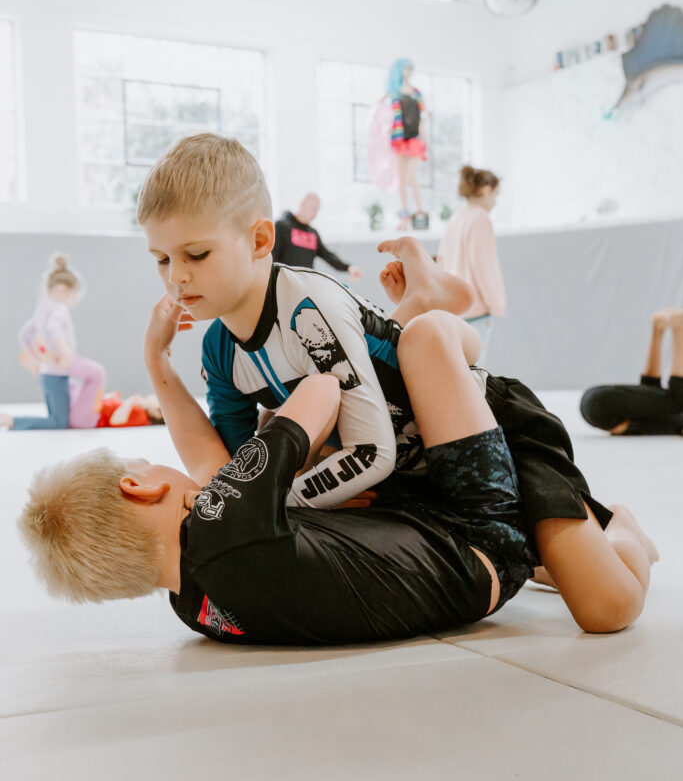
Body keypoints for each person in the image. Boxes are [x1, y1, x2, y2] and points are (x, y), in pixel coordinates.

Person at [19, 291, 656, 642]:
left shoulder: (196, 606)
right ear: (140, 486)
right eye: (143, 459)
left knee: (327, 471)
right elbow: (323, 391)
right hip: (477, 532)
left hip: (442, 551)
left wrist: (161, 367)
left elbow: (215, 477)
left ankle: (434, 320)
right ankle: (618, 525)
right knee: (426, 338)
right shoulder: (227, 517)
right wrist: (289, 360)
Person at [135, 134, 474, 509]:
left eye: (196, 254)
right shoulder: (218, 347)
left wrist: (277, 502)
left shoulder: (307, 311)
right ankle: (419, 299)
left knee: (423, 340)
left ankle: (425, 303)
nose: (176, 276)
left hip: (458, 430)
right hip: (397, 474)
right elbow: (234, 469)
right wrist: (155, 356)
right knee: (276, 425)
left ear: (261, 240)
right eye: (162, 259)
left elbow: (371, 453)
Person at [0, 254, 106, 431]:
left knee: (55, 418)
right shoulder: (59, 308)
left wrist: (35, 358)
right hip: (57, 376)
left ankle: (11, 421)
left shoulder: (42, 310)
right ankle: (10, 421)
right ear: (64, 290)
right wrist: (64, 352)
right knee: (58, 422)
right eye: (73, 298)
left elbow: (24, 334)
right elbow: (53, 327)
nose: (71, 303)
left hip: (46, 375)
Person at [437, 165, 506, 362]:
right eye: (495, 195)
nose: (495, 201)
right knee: (476, 372)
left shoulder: (455, 218)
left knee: (458, 368)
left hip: (454, 307)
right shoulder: (481, 218)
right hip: (476, 309)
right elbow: (484, 267)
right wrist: (495, 303)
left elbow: (442, 261)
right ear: (486, 189)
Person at [581, 307, 683, 436]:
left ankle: (669, 328)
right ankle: (662, 328)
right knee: (660, 394)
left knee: (673, 399)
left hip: (598, 405)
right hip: (595, 404)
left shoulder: (675, 419)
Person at [272, 193, 363, 281]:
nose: (315, 213)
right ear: (302, 205)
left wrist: (348, 268)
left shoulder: (313, 234)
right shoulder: (282, 226)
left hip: (305, 284)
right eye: (312, 208)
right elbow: (273, 257)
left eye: (317, 210)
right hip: (283, 283)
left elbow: (328, 255)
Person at [385, 58, 428, 227]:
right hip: (399, 137)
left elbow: (423, 115)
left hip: (415, 137)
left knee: (412, 176)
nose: (408, 72)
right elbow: (386, 115)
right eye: (405, 69)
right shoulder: (393, 93)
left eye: (410, 69)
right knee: (401, 177)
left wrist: (424, 135)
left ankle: (419, 210)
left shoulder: (416, 92)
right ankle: (404, 212)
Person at [96, 391, 164, 428]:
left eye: (156, 399)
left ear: (157, 412)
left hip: (96, 413)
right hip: (97, 407)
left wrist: (130, 401)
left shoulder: (141, 416)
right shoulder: (140, 410)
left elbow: (115, 422)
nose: (153, 396)